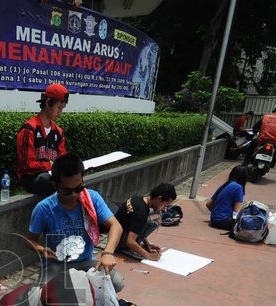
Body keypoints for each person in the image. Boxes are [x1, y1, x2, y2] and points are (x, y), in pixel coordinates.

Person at [26, 153, 124, 291]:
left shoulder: (92, 199)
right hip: (57, 265)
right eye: (67, 191)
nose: (74, 195)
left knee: (117, 282)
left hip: (86, 262)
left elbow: (116, 226)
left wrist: (108, 253)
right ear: (55, 185)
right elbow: (30, 240)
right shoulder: (44, 208)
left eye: (79, 188)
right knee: (41, 294)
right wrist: (41, 249)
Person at [16, 83, 69, 195]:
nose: (60, 112)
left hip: (54, 175)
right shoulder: (29, 129)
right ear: (48, 102)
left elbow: (63, 159)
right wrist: (52, 165)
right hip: (32, 179)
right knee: (48, 180)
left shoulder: (59, 132)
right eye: (58, 107)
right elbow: (27, 165)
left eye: (62, 108)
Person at [114, 183, 177, 261]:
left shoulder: (138, 199)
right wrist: (149, 256)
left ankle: (137, 244)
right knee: (154, 222)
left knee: (152, 220)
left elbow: (137, 225)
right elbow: (130, 241)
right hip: (117, 240)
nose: (165, 209)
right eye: (165, 205)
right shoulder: (141, 212)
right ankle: (124, 248)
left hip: (118, 231)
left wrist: (147, 244)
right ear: (159, 199)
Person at [245, 100, 276, 167]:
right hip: (275, 143)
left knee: (250, 146)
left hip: (262, 140)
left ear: (275, 108)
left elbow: (255, 128)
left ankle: (245, 163)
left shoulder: (266, 117)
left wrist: (254, 132)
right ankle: (272, 164)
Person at [206, 165, 248, 231]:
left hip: (213, 220)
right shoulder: (239, 187)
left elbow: (208, 204)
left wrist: (217, 215)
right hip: (225, 221)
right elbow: (237, 211)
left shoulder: (224, 185)